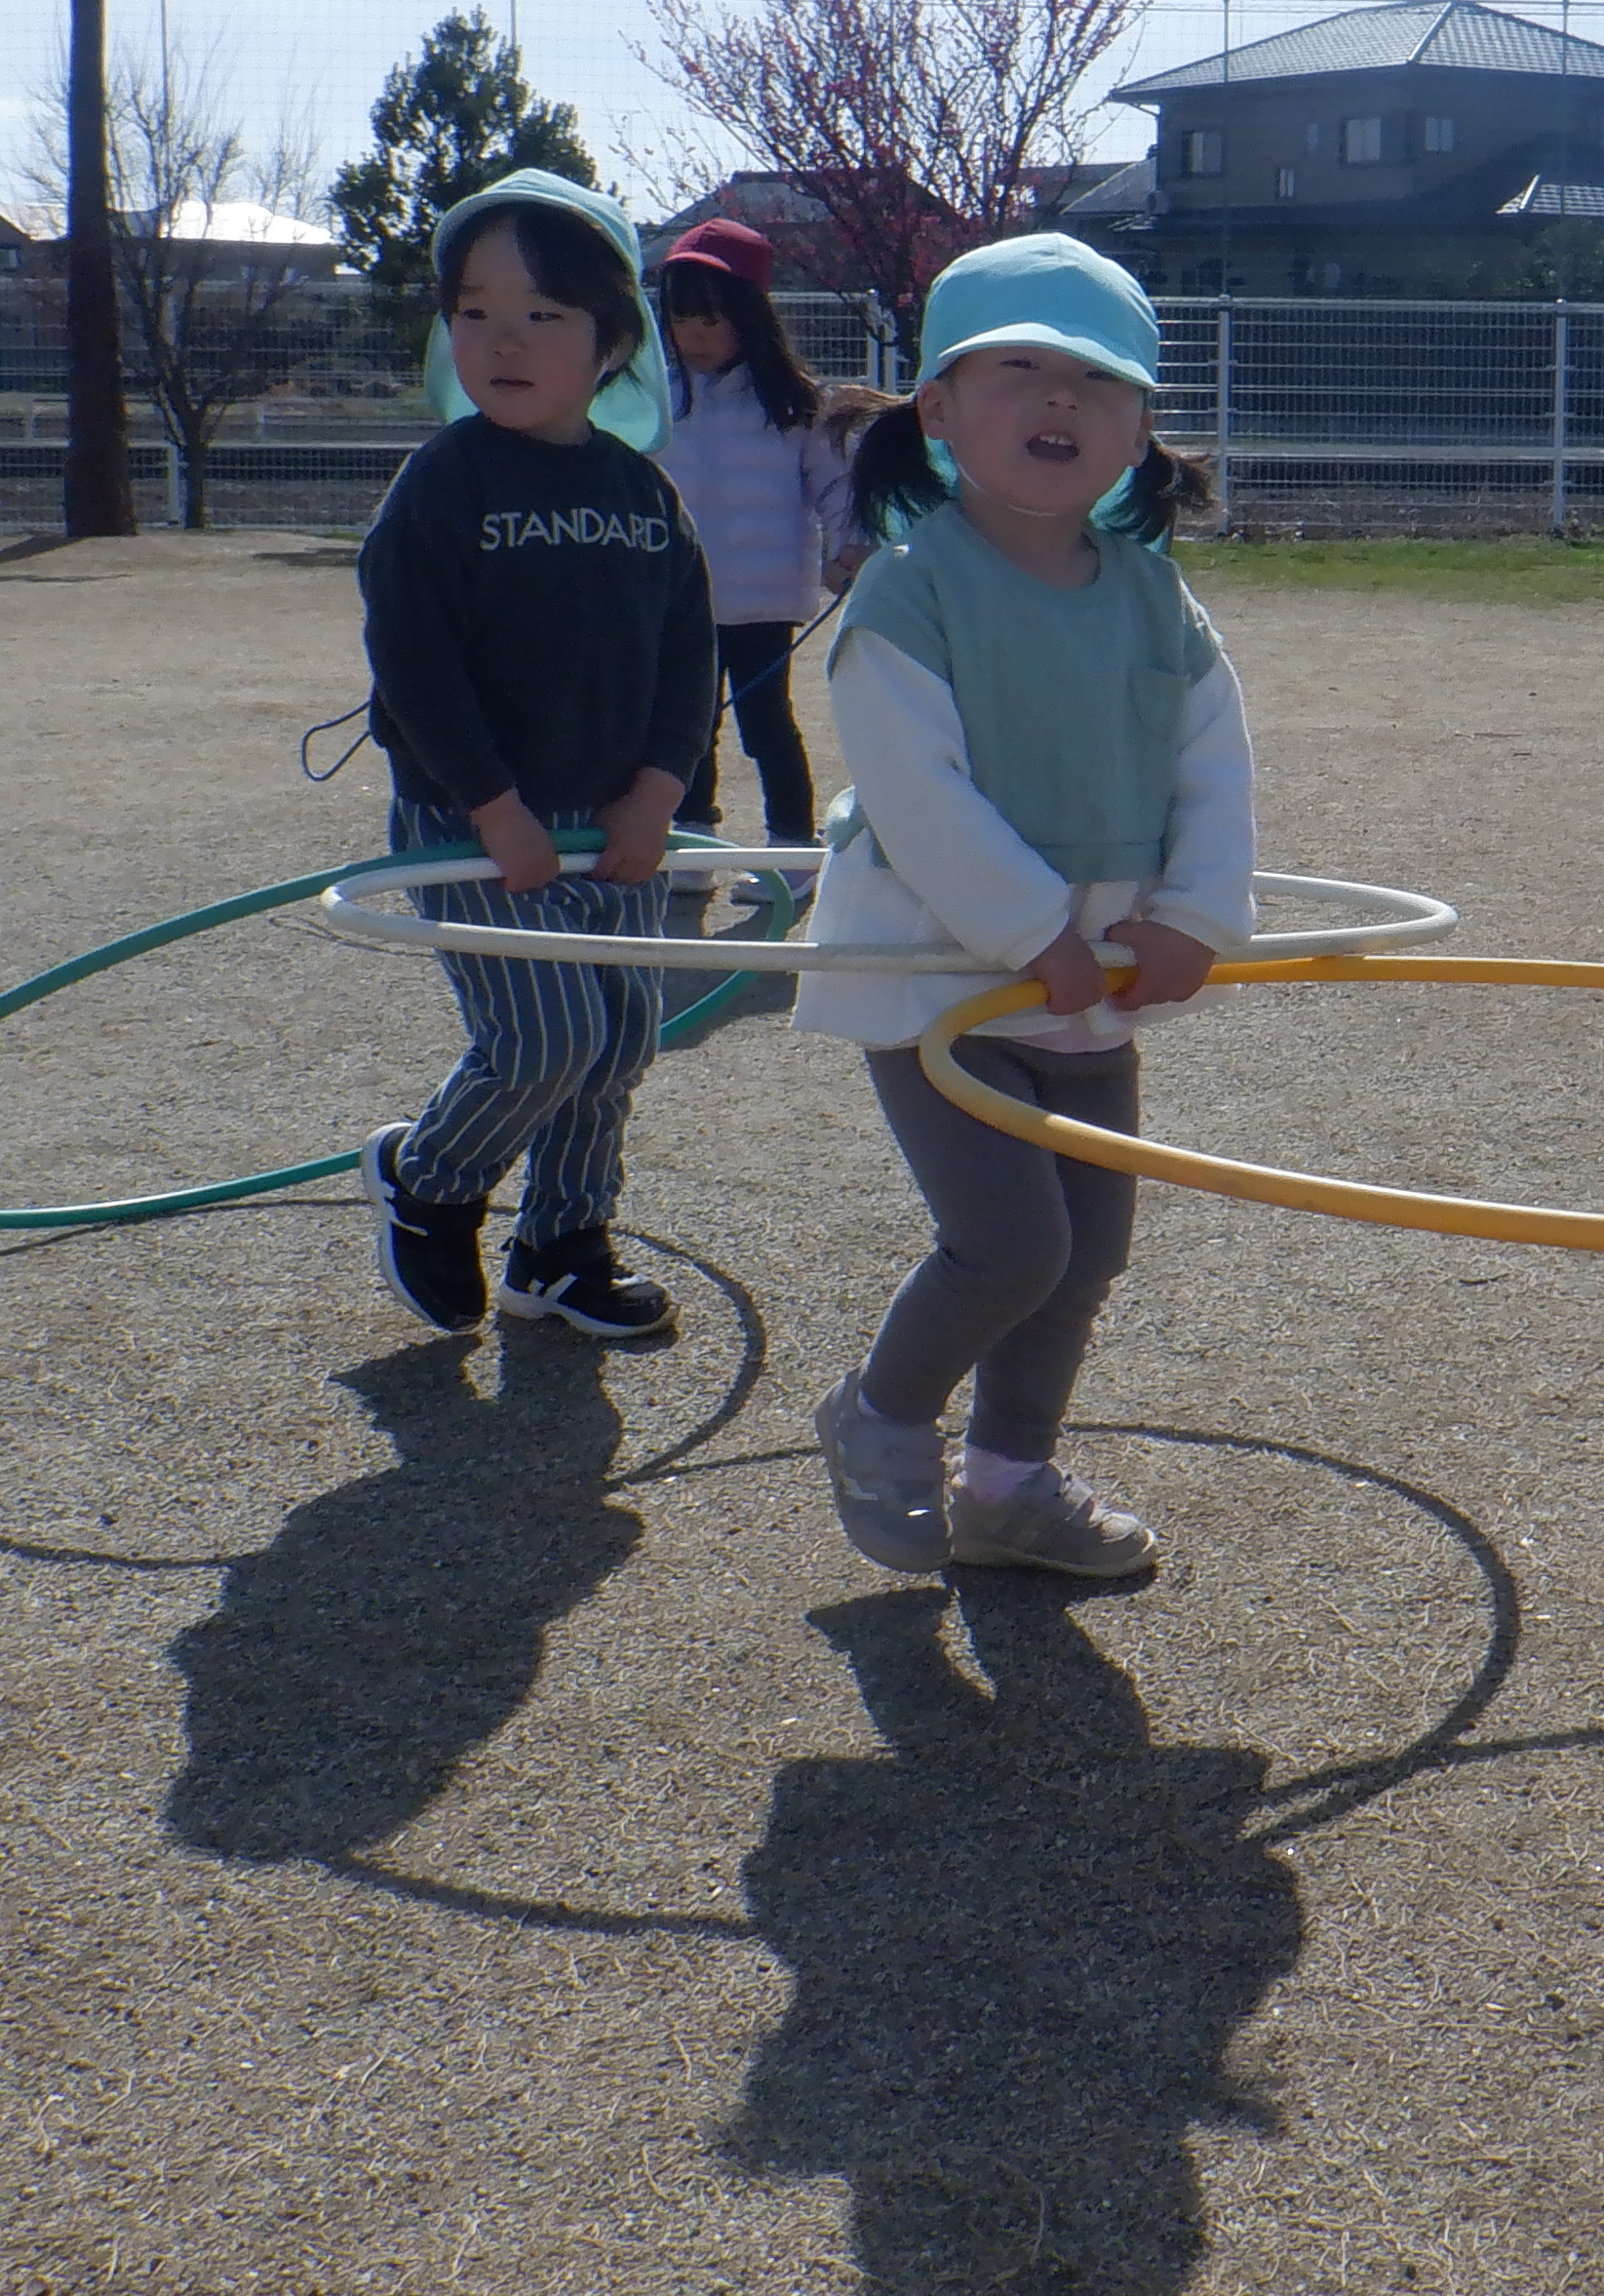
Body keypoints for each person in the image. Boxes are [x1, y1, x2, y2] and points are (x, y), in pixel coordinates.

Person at [788, 232, 1249, 1579]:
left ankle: (1007, 1487)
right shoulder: (912, 589)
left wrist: (1196, 915)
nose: (1062, 400)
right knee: (1009, 1246)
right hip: (940, 971)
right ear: (938, 409)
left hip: (1090, 975)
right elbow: (917, 793)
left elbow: (1214, 767)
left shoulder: (1157, 598)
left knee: (1087, 1252)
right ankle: (881, 1417)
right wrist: (1032, 930)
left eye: (1100, 381)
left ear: (1140, 428)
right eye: (1021, 370)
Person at [353, 171, 718, 1344]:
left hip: (612, 825)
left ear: (614, 342)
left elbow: (689, 657)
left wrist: (658, 792)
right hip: (477, 825)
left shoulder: (643, 493)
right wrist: (492, 806)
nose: (503, 341)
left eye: (543, 314)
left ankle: (562, 1246)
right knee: (544, 1039)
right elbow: (415, 666)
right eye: (475, 312)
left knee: (614, 1044)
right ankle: (430, 1178)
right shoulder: (444, 483)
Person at [646, 217, 861, 852]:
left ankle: (791, 848)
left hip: (763, 600)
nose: (693, 334)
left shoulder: (795, 404)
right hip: (676, 600)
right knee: (686, 729)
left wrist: (849, 545)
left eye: (711, 319)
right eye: (680, 318)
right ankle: (692, 845)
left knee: (768, 726)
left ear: (750, 315)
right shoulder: (652, 401)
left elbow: (836, 486)